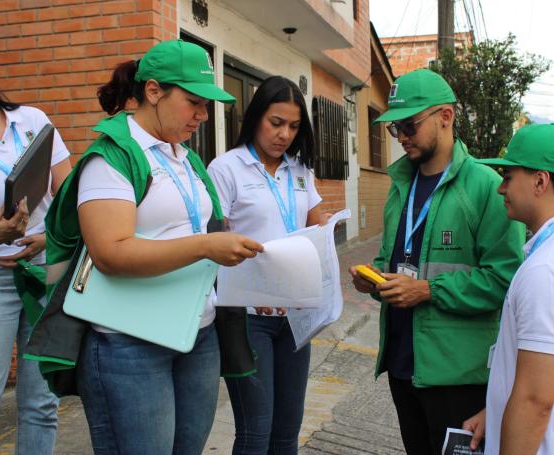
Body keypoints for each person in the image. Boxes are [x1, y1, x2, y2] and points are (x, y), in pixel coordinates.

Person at [26, 40, 264, 455]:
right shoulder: (111, 158)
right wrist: (206, 245)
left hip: (196, 333)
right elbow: (111, 254)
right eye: (193, 102)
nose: (203, 115)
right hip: (129, 342)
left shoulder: (183, 157)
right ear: (153, 91)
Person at [348, 68, 525, 455]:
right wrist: (375, 279)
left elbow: (504, 280)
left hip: (458, 375)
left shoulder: (487, 188)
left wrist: (427, 290)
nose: (402, 137)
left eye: (409, 125)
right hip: (402, 364)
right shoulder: (400, 186)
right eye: (395, 129)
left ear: (445, 116)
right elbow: (391, 259)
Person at [207, 75, 328, 455]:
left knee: (287, 430)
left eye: (293, 126)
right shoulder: (226, 168)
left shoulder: (300, 170)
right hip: (249, 316)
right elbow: (215, 242)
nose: (285, 135)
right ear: (256, 116)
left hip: (295, 315)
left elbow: (318, 227)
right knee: (256, 431)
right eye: (276, 123)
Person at [463, 124, 554, 455]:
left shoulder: (548, 271)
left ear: (540, 181)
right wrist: (496, 411)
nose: (501, 188)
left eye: (507, 176)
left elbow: (535, 400)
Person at [0, 68, 71, 453]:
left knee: (41, 401)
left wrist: (48, 237)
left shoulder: (32, 120)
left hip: (45, 267)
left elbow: (66, 192)